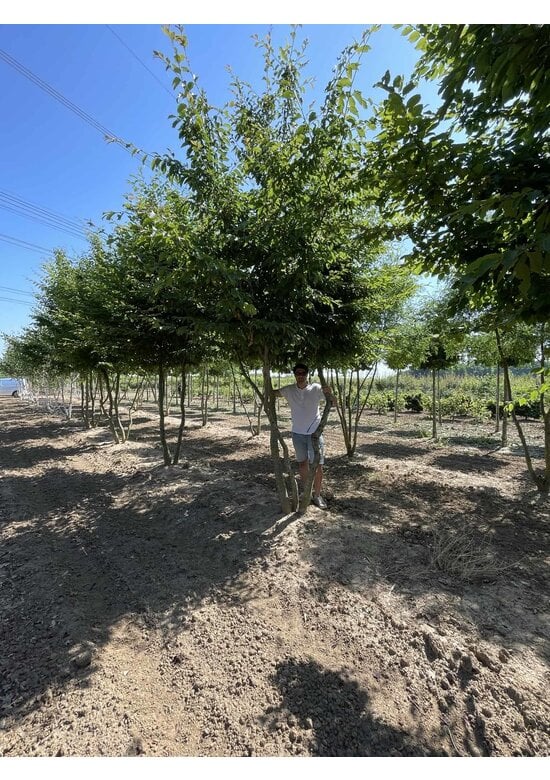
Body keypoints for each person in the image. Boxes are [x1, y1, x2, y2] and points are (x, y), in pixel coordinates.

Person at [274, 363, 334, 509]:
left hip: (314, 434)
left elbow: (333, 403)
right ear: (295, 375)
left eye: (303, 373)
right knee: (302, 464)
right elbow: (274, 393)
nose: (300, 375)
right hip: (297, 433)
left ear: (307, 374)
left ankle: (317, 495)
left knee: (317, 466)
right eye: (298, 373)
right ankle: (307, 492)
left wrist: (330, 392)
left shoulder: (316, 388)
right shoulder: (289, 390)